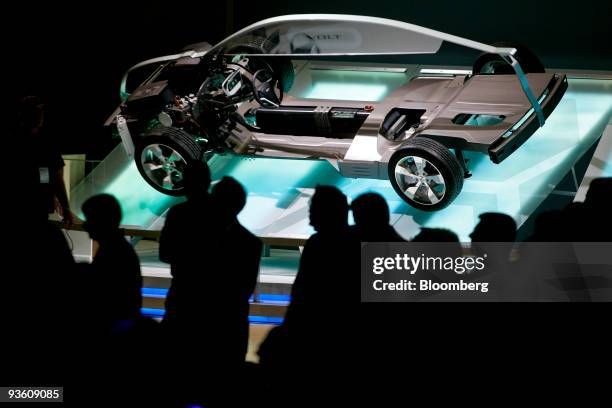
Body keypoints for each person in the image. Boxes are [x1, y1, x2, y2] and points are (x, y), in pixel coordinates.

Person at [258, 185, 359, 404]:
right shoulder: (357, 243)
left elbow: (303, 296)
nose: (311, 218)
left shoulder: (318, 245)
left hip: (315, 343)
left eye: (313, 211)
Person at [82, 194, 142, 327]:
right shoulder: (118, 249)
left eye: (89, 219)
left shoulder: (113, 251)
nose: (85, 225)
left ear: (101, 221)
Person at [19, 96, 73, 225]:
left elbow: (47, 173)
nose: (41, 114)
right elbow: (55, 177)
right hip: (39, 207)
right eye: (38, 111)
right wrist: (65, 207)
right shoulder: (46, 143)